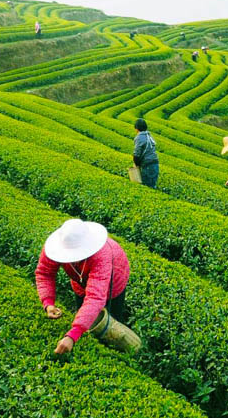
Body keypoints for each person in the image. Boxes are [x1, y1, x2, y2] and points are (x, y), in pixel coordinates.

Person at [35, 219, 131, 354]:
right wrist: (48, 303)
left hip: (113, 281)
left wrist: (72, 335)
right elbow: (45, 273)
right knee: (84, 313)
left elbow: (95, 297)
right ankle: (89, 339)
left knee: (111, 323)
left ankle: (116, 352)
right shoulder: (55, 247)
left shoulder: (101, 255)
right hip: (80, 281)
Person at [132, 118, 159, 189]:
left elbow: (136, 154)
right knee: (152, 186)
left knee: (146, 187)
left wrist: (136, 164)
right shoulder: (149, 135)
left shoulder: (139, 137)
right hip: (155, 163)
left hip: (147, 165)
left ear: (137, 128)